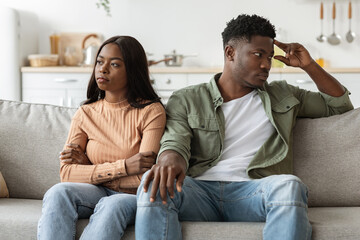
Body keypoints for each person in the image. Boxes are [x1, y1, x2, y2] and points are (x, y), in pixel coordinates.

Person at [135, 14, 354, 240]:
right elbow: (175, 142)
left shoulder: (283, 94)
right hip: (200, 192)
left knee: (290, 185)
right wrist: (170, 159)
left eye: (269, 57)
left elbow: (340, 107)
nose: (266, 64)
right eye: (258, 55)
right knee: (152, 183)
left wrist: (309, 66)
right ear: (230, 53)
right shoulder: (188, 98)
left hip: (254, 192)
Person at [37, 36, 166, 240]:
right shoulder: (85, 113)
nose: (103, 69)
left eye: (114, 64)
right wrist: (123, 167)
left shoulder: (151, 111)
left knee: (111, 204)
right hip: (95, 191)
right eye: (99, 61)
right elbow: (67, 173)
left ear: (132, 70)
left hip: (130, 198)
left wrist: (89, 168)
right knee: (58, 192)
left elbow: (143, 178)